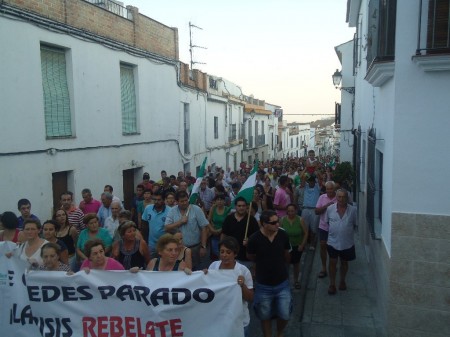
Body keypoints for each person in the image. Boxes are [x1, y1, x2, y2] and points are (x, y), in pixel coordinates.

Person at [247, 210, 292, 337]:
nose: (277, 224)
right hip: (263, 284)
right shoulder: (254, 239)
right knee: (264, 314)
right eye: (273, 223)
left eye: (277, 221)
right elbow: (250, 255)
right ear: (263, 224)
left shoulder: (283, 235)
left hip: (282, 282)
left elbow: (286, 253)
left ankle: (279, 332)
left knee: (285, 313)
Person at [206, 236, 254, 337]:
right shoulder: (213, 266)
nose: (224, 255)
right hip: (218, 321)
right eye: (222, 252)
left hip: (240, 322)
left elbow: (250, 297)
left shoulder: (244, 271)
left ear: (235, 254)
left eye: (228, 252)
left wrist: (242, 286)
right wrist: (203, 276)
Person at [164, 190, 209, 271]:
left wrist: (203, 246)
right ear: (177, 201)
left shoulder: (196, 209)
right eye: (181, 201)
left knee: (195, 270)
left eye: (186, 200)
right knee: (179, 271)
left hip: (195, 248)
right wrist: (180, 222)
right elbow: (167, 227)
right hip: (178, 249)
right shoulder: (172, 211)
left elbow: (204, 228)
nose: (184, 203)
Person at [325, 189, 357, 295]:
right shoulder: (329, 209)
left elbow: (355, 224)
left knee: (344, 263)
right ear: (336, 197)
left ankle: (342, 280)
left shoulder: (353, 210)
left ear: (347, 198)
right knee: (332, 262)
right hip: (332, 242)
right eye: (339, 197)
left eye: (343, 197)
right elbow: (327, 222)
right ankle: (332, 284)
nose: (341, 199)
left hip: (347, 243)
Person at [221, 196, 260, 271]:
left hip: (245, 258)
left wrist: (249, 241)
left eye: (243, 206)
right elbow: (224, 234)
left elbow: (257, 237)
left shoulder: (252, 220)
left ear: (246, 206)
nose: (241, 208)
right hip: (230, 256)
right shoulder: (229, 219)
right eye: (239, 206)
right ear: (235, 206)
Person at [281, 204, 308, 289]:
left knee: (296, 264)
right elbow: (279, 232)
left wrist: (302, 244)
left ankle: (296, 281)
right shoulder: (282, 220)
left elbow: (306, 233)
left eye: (292, 211)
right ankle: (285, 281)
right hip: (286, 247)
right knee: (286, 264)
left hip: (297, 245)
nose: (290, 213)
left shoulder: (300, 220)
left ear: (296, 211)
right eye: (289, 211)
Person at [315, 181, 337, 279]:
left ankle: (333, 265)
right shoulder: (322, 197)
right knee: (323, 246)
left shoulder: (339, 197)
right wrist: (326, 206)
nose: (329, 191)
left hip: (336, 228)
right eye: (327, 189)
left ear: (334, 189)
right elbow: (316, 211)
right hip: (323, 226)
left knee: (335, 248)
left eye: (331, 189)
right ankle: (324, 268)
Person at [141, 190, 170, 258]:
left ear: (164, 200)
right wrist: (145, 241)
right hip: (151, 244)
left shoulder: (170, 211)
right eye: (155, 199)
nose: (156, 202)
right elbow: (144, 225)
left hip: (165, 244)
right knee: (151, 265)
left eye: (159, 200)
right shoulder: (148, 208)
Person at [207, 193, 231, 259]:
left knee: (223, 251)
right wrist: (212, 230)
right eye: (218, 200)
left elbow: (228, 223)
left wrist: (220, 230)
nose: (219, 201)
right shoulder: (213, 208)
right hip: (214, 233)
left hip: (224, 234)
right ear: (215, 201)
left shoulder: (227, 209)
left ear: (224, 201)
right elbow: (208, 220)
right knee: (216, 251)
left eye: (221, 200)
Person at [302, 175, 321, 250]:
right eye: (310, 181)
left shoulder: (317, 187)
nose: (311, 182)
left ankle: (312, 244)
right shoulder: (306, 187)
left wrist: (316, 168)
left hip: (314, 210)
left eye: (312, 181)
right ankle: (305, 243)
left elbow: (320, 179)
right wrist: (307, 169)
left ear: (314, 182)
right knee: (304, 227)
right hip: (305, 209)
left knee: (313, 228)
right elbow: (302, 178)